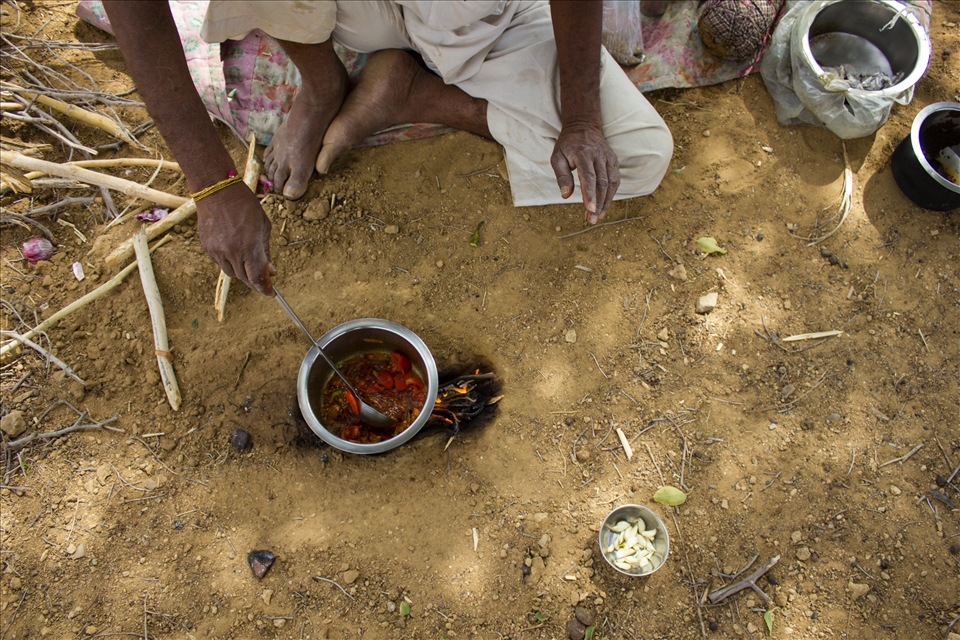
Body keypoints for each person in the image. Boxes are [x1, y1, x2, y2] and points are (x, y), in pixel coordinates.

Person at [102, 1, 673, 296]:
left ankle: (413, 94)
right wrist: (213, 186)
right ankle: (324, 81)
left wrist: (580, 118)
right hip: (347, 15)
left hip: (477, 17)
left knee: (638, 155)